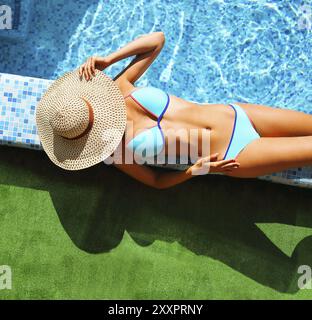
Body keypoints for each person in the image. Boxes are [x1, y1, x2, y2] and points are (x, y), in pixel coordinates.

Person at [36, 32, 312, 189]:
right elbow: (156, 181)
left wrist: (110, 58)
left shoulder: (120, 86)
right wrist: (197, 171)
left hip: (238, 114)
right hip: (233, 154)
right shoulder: (113, 151)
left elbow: (157, 40)